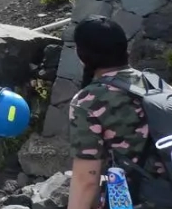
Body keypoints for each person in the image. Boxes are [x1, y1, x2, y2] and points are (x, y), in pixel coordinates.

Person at [68, 16, 170, 209]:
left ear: (82, 54)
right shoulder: (157, 84)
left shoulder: (88, 100)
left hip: (137, 199)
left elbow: (87, 179)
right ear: (124, 48)